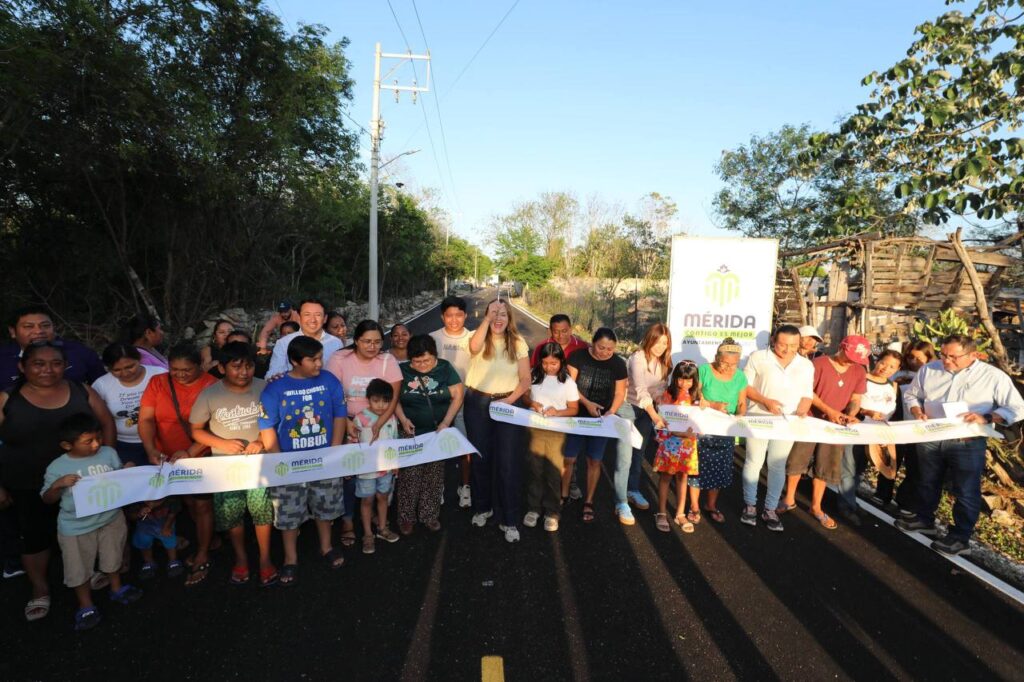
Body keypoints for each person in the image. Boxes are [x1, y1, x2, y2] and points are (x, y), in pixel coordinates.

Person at [0, 341, 115, 622]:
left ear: (65, 366)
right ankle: (40, 588)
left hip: (82, 481)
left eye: (56, 363)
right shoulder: (7, 398)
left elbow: (106, 423)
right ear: (22, 366)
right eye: (38, 364)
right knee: (35, 537)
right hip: (27, 482)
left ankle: (87, 570)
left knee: (88, 526)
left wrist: (109, 463)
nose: (47, 370)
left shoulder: (81, 390)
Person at [898, 334, 1024, 555]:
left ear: (973, 354)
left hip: (967, 442)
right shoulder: (929, 369)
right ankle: (924, 520)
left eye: (953, 357)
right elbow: (911, 395)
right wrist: (917, 410)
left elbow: (1017, 408)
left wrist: (987, 417)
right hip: (931, 436)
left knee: (965, 490)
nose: (946, 361)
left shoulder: (993, 376)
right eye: (943, 355)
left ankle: (960, 537)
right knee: (927, 481)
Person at [258, 336, 348, 584]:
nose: (319, 363)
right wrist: (278, 461)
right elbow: (267, 426)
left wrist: (334, 449)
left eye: (320, 358)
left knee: (325, 507)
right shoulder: (275, 389)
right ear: (295, 361)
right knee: (289, 514)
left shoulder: (329, 380)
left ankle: (326, 547)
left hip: (324, 461)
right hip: (289, 465)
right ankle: (290, 558)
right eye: (313, 360)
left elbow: (340, 414)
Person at [41, 414, 141, 630]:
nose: (96, 445)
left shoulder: (108, 453)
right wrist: (57, 485)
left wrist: (127, 470)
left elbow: (118, 478)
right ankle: (86, 604)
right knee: (78, 567)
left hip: (110, 518)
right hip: (76, 526)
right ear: (67, 445)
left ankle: (117, 588)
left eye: (99, 438)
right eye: (88, 441)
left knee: (113, 555)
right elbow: (47, 499)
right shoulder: (57, 467)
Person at [190, 341, 277, 587]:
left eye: (249, 366)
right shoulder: (209, 394)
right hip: (225, 468)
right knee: (231, 514)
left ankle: (265, 558)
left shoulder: (264, 388)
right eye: (236, 366)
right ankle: (240, 558)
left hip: (258, 466)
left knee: (262, 511)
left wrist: (260, 440)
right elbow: (196, 430)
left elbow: (275, 420)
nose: (244, 372)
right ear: (221, 368)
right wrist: (222, 443)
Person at [137, 342, 218, 586]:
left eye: (187, 370)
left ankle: (203, 551)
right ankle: (208, 537)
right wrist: (150, 449)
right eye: (175, 369)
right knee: (188, 501)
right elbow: (146, 419)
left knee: (202, 504)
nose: (180, 375)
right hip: (166, 456)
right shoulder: (158, 383)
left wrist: (190, 452)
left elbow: (214, 428)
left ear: (200, 366)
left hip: (200, 455)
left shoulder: (212, 385)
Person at [325, 320, 402, 547]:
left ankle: (379, 520)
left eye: (377, 342)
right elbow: (331, 395)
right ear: (356, 341)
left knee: (380, 473)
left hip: (381, 424)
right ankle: (348, 520)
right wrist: (346, 422)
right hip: (348, 423)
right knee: (350, 475)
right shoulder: (340, 359)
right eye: (367, 341)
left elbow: (393, 397)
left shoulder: (387, 360)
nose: (372, 346)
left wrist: (379, 424)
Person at [781, 335, 870, 530]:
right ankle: (789, 498)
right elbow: (808, 391)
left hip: (836, 425)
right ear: (841, 348)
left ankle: (816, 506)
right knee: (797, 460)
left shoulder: (859, 371)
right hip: (810, 420)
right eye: (850, 357)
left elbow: (856, 398)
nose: (852, 362)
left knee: (825, 465)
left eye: (857, 360)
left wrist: (850, 414)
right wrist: (829, 411)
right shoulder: (818, 364)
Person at [464, 299, 531, 543]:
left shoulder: (518, 342)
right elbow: (473, 347)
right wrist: (486, 319)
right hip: (477, 403)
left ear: (509, 318)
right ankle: (483, 508)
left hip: (508, 403)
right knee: (481, 458)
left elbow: (525, 379)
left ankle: (509, 518)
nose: (498, 318)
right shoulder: (479, 337)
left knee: (508, 462)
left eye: (503, 313)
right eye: (493, 313)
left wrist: (510, 400)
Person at [740, 325, 814, 532]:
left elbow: (807, 393)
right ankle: (750, 505)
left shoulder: (806, 365)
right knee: (754, 461)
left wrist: (804, 407)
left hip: (787, 423)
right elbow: (745, 387)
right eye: (783, 345)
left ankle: (770, 509)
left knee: (777, 465)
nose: (788, 350)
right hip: (758, 419)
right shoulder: (758, 357)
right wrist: (765, 401)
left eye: (793, 345)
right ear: (773, 340)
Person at [395, 335, 464, 536]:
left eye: (427, 360)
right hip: (411, 432)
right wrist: (403, 419)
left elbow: (458, 395)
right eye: (417, 361)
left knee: (434, 476)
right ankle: (406, 517)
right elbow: (394, 398)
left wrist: (446, 423)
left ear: (435, 355)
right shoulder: (402, 370)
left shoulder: (445, 368)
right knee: (410, 476)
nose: (422, 365)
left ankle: (429, 515)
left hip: (436, 432)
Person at [566, 328, 629, 525]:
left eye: (610, 349)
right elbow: (569, 386)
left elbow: (620, 393)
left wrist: (611, 412)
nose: (605, 352)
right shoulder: (577, 357)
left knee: (594, 460)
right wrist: (587, 403)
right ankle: (563, 494)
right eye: (601, 347)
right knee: (569, 458)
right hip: (576, 415)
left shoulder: (618, 364)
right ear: (592, 343)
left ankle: (589, 500)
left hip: (601, 419)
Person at [837, 349, 902, 527]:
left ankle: (850, 500)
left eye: (892, 367)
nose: (885, 368)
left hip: (876, 436)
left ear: (897, 370)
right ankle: (846, 506)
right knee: (848, 469)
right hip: (856, 431)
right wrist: (867, 412)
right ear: (877, 361)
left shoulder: (893, 386)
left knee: (859, 470)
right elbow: (849, 402)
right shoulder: (861, 379)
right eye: (883, 363)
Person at [874, 340, 936, 514]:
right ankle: (882, 494)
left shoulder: (931, 375)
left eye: (918, 358)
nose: (913, 361)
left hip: (918, 426)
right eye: (910, 357)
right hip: (896, 422)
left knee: (914, 466)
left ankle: (904, 500)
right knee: (891, 460)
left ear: (928, 358)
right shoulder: (898, 373)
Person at [522, 342, 579, 532]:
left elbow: (574, 409)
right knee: (535, 470)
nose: (549, 367)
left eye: (554, 363)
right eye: (545, 363)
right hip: (535, 429)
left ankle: (552, 512)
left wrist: (558, 412)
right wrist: (533, 404)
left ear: (561, 361)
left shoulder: (568, 382)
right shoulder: (534, 375)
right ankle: (533, 508)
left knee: (553, 472)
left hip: (557, 432)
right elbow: (525, 397)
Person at [691, 338, 748, 525]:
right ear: (716, 358)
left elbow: (741, 403)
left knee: (719, 468)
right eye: (725, 363)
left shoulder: (740, 377)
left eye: (734, 364)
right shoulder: (704, 370)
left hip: (725, 428)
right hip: (702, 426)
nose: (729, 368)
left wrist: (740, 415)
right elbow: (694, 395)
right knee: (697, 467)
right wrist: (713, 405)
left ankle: (711, 505)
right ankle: (694, 507)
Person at [429, 296, 475, 508]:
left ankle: (465, 486)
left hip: (465, 402)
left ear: (465, 316)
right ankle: (437, 486)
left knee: (465, 446)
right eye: (449, 315)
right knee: (437, 445)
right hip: (438, 402)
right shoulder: (433, 338)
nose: (454, 320)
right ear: (442, 317)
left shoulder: (473, 338)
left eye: (459, 315)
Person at [91, 343, 167, 466]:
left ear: (139, 359)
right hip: (123, 445)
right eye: (117, 370)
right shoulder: (101, 385)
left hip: (162, 440)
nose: (125, 373)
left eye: (130, 366)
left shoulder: (159, 375)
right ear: (108, 368)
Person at [624, 324, 672, 513]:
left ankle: (632, 490)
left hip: (646, 411)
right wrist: (655, 416)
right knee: (624, 453)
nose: (660, 347)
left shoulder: (665, 363)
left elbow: (658, 391)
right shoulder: (638, 358)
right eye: (657, 342)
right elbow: (641, 389)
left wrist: (662, 403)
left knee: (638, 452)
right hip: (628, 407)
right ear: (649, 339)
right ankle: (620, 496)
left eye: (665, 343)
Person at [1, 305, 105, 391]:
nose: (39, 331)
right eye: (29, 326)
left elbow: (103, 387)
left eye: (45, 325)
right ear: (13, 332)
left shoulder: (79, 352)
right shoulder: (3, 359)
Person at [352, 379, 401, 553]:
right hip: (366, 470)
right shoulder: (360, 419)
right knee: (367, 500)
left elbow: (394, 441)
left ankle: (382, 528)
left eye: (386, 401)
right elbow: (353, 444)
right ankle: (367, 534)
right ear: (368, 399)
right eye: (376, 400)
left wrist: (395, 464)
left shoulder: (391, 418)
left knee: (383, 497)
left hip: (386, 469)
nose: (381, 405)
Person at [653, 361, 701, 533]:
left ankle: (680, 513)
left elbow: (700, 419)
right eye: (680, 379)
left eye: (689, 380)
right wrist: (679, 432)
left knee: (683, 477)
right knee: (666, 477)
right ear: (675, 378)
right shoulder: (668, 394)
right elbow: (663, 420)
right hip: (671, 443)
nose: (684, 383)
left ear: (694, 380)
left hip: (688, 444)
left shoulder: (697, 397)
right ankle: (661, 512)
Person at [266, 299, 343, 377]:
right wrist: (274, 377)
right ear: (299, 317)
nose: (312, 320)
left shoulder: (336, 343)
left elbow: (341, 374)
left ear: (325, 318)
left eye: (318, 315)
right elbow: (274, 374)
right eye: (307, 314)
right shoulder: (284, 343)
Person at [130, 498, 182, 580]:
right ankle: (149, 561)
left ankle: (173, 560)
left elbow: (173, 512)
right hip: (144, 526)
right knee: (144, 542)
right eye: (148, 500)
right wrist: (139, 514)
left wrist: (167, 526)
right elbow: (130, 516)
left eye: (157, 500)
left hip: (164, 523)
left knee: (169, 539)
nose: (151, 502)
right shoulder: (137, 500)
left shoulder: (171, 499)